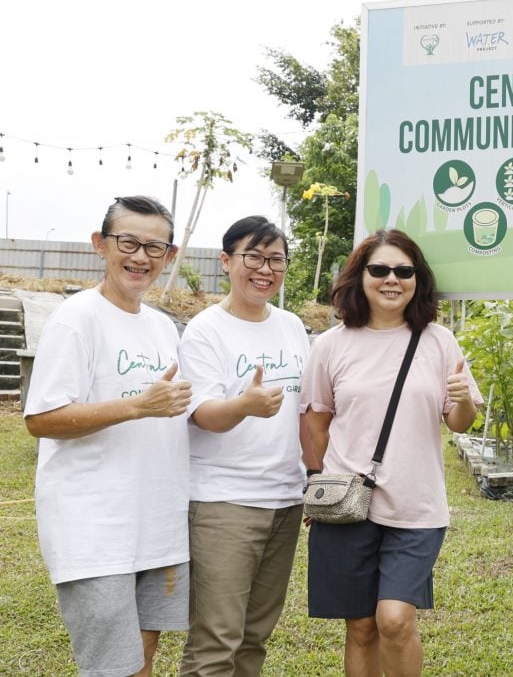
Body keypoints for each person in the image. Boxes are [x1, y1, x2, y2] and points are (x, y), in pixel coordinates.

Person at [300, 228, 482, 677]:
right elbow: (314, 421)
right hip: (349, 504)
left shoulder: (439, 341)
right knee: (361, 627)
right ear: (359, 276)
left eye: (404, 271)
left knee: (395, 620)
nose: (391, 279)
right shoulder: (331, 345)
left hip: (416, 505)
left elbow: (460, 422)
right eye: (379, 269)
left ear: (417, 279)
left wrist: (460, 399)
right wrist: (318, 485)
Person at [23, 195, 192, 677]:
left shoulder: (164, 328)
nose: (141, 257)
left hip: (158, 525)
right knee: (110, 668)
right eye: (128, 242)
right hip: (95, 532)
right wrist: (137, 406)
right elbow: (41, 419)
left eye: (154, 247)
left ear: (170, 255)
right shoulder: (76, 319)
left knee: (142, 660)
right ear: (101, 244)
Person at [177, 216, 310, 676]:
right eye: (254, 256)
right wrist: (245, 405)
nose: (265, 269)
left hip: (286, 499)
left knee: (255, 637)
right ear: (226, 260)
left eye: (276, 259)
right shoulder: (205, 330)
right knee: (217, 639)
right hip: (224, 502)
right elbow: (203, 414)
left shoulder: (293, 327)